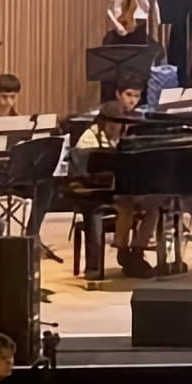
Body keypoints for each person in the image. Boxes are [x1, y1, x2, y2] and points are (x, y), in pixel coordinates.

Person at [75, 83, 160, 278]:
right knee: (126, 205)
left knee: (154, 205)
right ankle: (122, 251)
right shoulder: (89, 138)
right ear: (104, 122)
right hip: (94, 191)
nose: (116, 128)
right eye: (113, 125)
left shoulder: (124, 137)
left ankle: (137, 250)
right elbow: (83, 171)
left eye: (119, 125)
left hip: (119, 188)